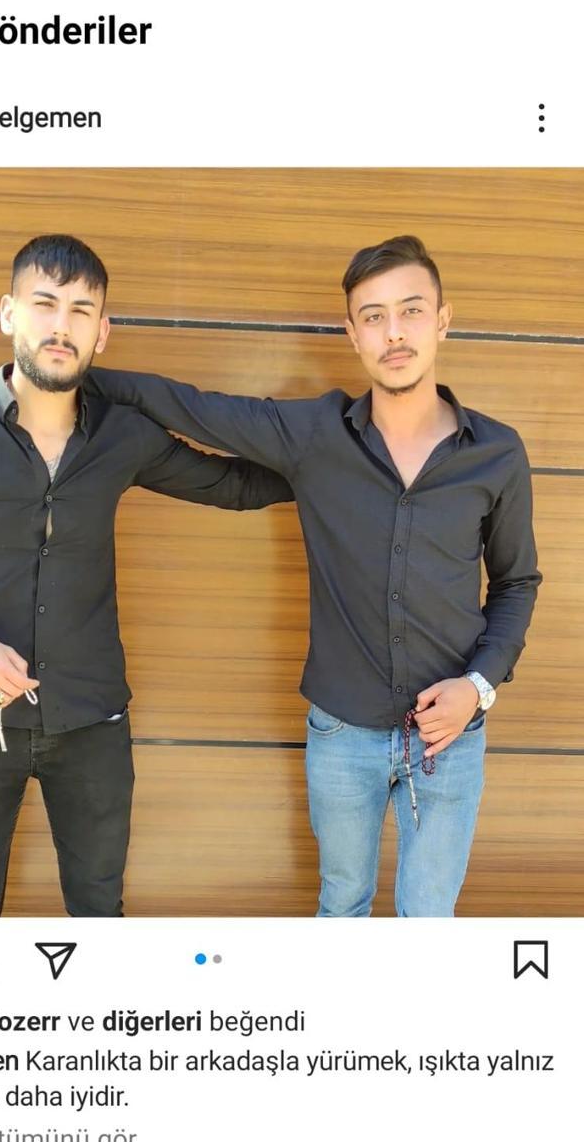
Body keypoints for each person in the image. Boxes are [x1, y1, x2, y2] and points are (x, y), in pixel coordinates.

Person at [80, 235, 542, 916]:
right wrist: (46, 378)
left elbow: (516, 582)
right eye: (374, 316)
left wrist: (478, 688)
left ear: (442, 320)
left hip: (449, 738)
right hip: (342, 734)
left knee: (429, 921)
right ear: (352, 333)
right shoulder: (315, 434)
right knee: (342, 906)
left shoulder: (497, 453)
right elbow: (189, 405)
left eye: (411, 310)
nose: (394, 332)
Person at [0, 234, 292, 917]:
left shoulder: (124, 435)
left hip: (94, 724)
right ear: (9, 313)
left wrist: (343, 459)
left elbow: (234, 486)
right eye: (45, 304)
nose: (61, 326)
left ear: (103, 332)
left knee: (99, 914)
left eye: (81, 311)